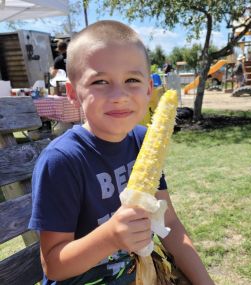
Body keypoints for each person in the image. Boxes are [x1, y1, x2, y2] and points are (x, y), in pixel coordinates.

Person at [29, 20, 214, 285]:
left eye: (132, 80)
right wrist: (111, 236)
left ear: (149, 89)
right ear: (73, 92)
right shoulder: (62, 161)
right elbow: (54, 267)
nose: (119, 95)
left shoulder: (142, 141)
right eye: (100, 81)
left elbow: (169, 223)